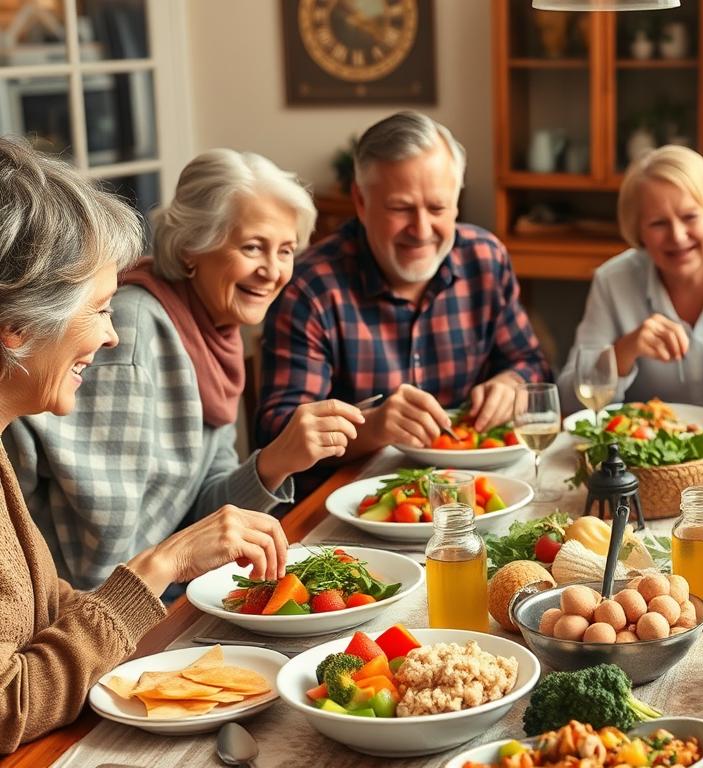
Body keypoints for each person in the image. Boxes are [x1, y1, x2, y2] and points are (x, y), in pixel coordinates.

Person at [0, 138, 288, 753]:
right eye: (100, 309)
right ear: (18, 327)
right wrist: (162, 567)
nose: (110, 334)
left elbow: (50, 605)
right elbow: (7, 707)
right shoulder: (142, 334)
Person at [2, 149, 355, 591]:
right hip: (100, 617)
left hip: (152, 599)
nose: (273, 271)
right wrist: (179, 560)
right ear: (192, 247)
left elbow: (199, 515)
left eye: (285, 250)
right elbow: (100, 560)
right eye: (252, 247)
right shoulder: (132, 332)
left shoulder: (215, 335)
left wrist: (273, 462)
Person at [256, 111, 550, 483]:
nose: (422, 229)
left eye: (438, 207)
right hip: (351, 501)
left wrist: (512, 384)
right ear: (360, 202)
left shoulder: (485, 258)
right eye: (401, 208)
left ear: (457, 202)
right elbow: (277, 436)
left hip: (476, 483)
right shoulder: (309, 288)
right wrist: (372, 428)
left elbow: (533, 364)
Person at [556, 145, 703, 415]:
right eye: (658, 223)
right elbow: (569, 400)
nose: (678, 236)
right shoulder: (612, 281)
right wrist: (624, 351)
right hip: (646, 451)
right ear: (638, 230)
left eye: (690, 217)